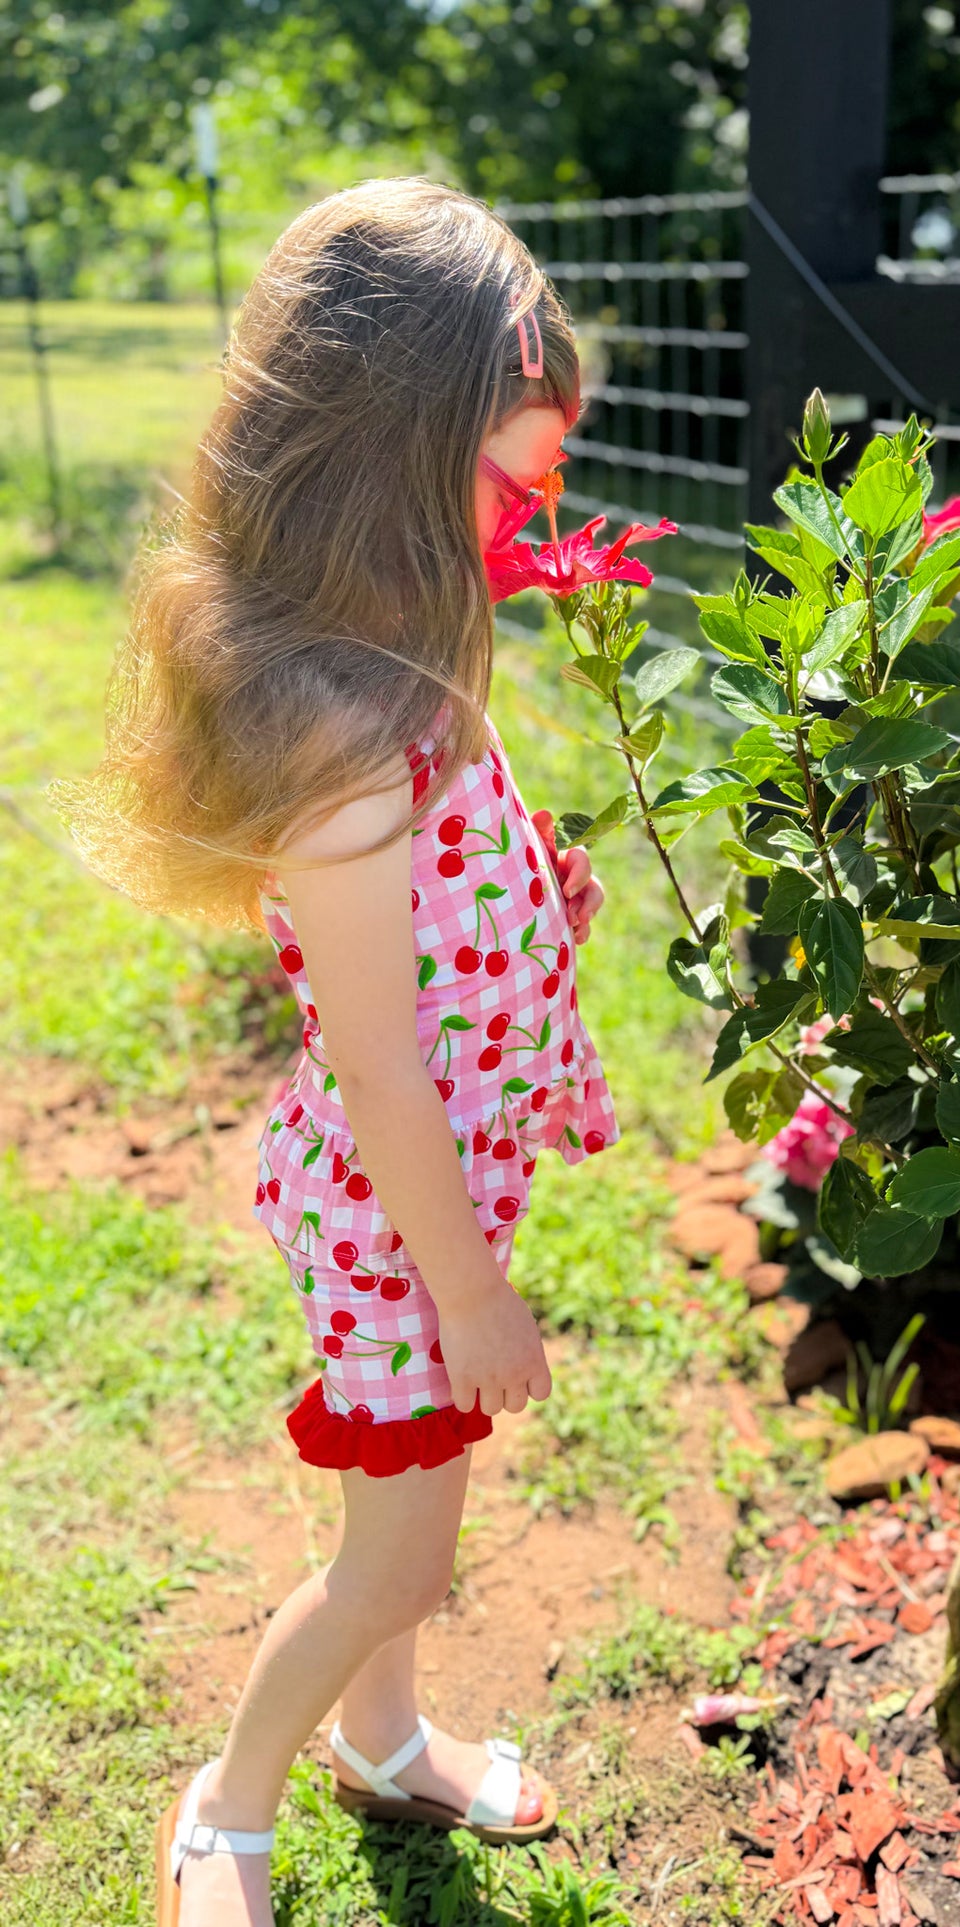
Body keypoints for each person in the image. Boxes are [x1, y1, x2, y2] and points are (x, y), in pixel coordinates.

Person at [54, 177, 617, 1927]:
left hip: (439, 1181)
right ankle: (228, 1804)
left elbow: (435, 912)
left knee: (408, 1526)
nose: (537, 519)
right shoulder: (336, 735)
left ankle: (385, 1748)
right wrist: (470, 1300)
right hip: (400, 1213)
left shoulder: (399, 658)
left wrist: (532, 889)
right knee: (402, 1554)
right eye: (516, 484)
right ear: (395, 448)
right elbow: (380, 1071)